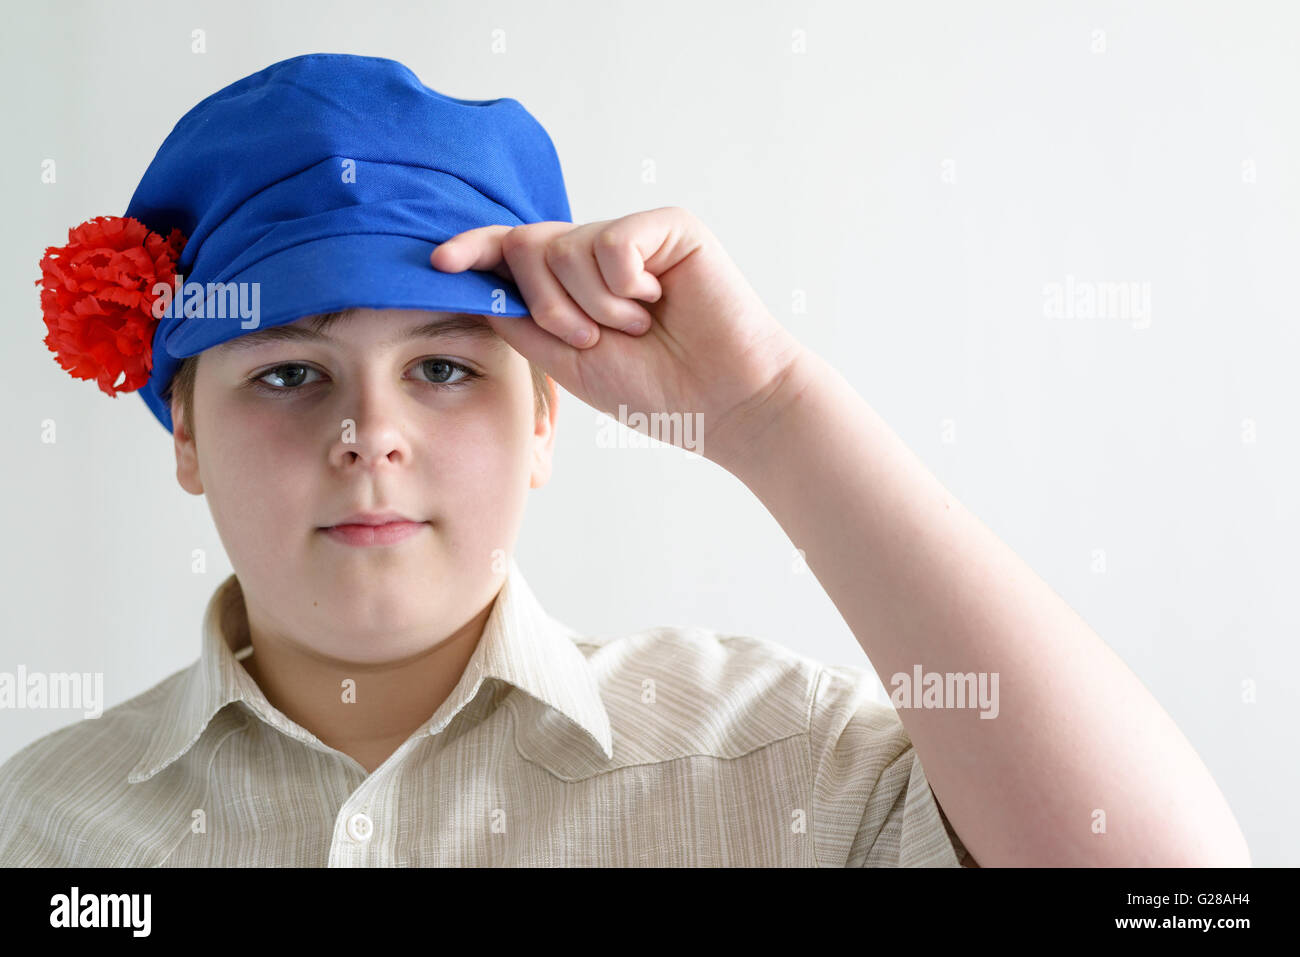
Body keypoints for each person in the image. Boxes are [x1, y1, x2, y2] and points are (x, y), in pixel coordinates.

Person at [0, 53, 1249, 867]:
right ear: (185, 435)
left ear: (546, 420)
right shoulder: (41, 826)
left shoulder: (778, 760)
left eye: (444, 368)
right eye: (287, 373)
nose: (367, 433)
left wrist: (767, 410)